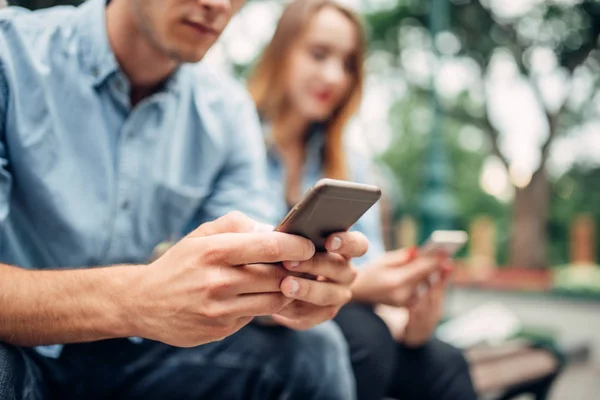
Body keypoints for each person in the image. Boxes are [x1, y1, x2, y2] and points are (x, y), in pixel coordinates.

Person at [0, 0, 369, 398]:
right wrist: (133, 298)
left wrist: (288, 286)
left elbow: (244, 263)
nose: (218, 5)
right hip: (17, 348)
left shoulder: (226, 111)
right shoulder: (12, 56)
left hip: (134, 357)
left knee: (315, 351)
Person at [247, 0, 478, 399]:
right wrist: (367, 287)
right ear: (282, 51)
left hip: (339, 316)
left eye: (349, 63)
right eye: (319, 54)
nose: (334, 76)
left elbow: (367, 266)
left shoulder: (349, 163)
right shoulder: (237, 138)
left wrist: (410, 323)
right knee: (363, 337)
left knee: (445, 362)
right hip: (257, 325)